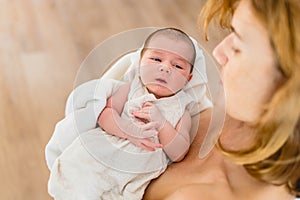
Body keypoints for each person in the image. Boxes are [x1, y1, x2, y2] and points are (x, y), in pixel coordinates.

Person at [143, 0, 300, 199]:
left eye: (237, 48)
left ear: (288, 90)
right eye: (230, 33)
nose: (218, 53)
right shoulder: (184, 103)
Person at [47, 27, 210, 200]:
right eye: (156, 59)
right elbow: (105, 115)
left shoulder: (182, 111)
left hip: (133, 177)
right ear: (140, 63)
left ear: (188, 79)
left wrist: (162, 123)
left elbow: (178, 153)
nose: (165, 68)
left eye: (177, 66)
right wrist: (128, 130)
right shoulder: (130, 88)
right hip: (104, 152)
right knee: (79, 182)